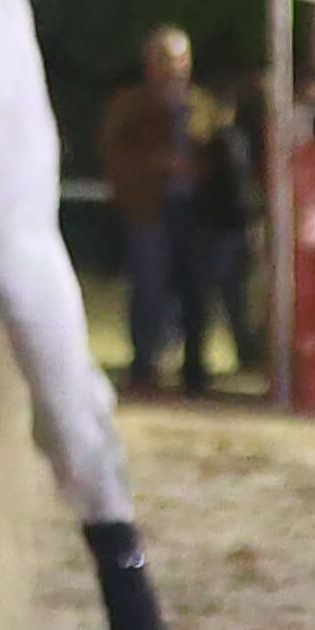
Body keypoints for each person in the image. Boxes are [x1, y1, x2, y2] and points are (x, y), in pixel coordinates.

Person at [98, 27, 235, 393]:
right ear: (148, 64)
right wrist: (157, 164)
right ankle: (145, 366)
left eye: (177, 59)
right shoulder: (130, 106)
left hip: (196, 211)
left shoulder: (204, 106)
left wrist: (202, 169)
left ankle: (195, 370)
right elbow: (114, 154)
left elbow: (223, 155)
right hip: (149, 209)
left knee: (196, 290)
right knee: (149, 286)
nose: (171, 67)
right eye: (162, 59)